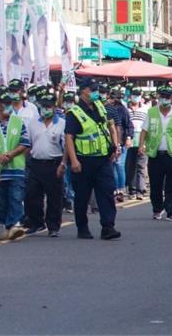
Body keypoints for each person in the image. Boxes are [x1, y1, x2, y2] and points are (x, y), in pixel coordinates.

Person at [65, 79, 121, 240]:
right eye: (93, 89)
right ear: (84, 91)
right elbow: (69, 137)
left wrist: (114, 146)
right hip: (83, 160)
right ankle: (82, 227)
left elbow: (110, 126)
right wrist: (73, 160)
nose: (97, 92)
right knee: (82, 196)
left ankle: (108, 227)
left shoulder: (100, 107)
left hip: (103, 159)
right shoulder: (74, 113)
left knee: (106, 192)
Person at [137, 86, 172, 222]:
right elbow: (144, 130)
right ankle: (157, 209)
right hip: (155, 153)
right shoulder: (152, 112)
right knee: (155, 184)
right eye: (162, 97)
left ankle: (171, 211)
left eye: (167, 97)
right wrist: (141, 145)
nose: (164, 100)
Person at [24, 91, 66, 237]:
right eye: (43, 106)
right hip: (36, 163)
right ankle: (37, 222)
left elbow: (66, 146)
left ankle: (53, 226)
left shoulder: (61, 123)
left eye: (48, 106)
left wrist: (63, 164)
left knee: (54, 196)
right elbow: (28, 144)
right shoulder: (33, 123)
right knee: (32, 194)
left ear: (54, 107)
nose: (45, 109)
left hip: (54, 163)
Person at [0, 92, 30, 241]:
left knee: (15, 197)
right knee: (0, 201)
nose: (10, 107)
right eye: (6, 104)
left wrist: (11, 155)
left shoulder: (18, 121)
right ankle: (7, 226)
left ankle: (15, 224)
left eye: (10, 104)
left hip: (15, 167)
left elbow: (25, 142)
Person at [126, 89, 149, 200]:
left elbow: (147, 126)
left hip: (142, 138)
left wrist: (145, 142)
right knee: (130, 166)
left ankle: (140, 190)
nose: (135, 97)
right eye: (134, 95)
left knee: (141, 165)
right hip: (129, 139)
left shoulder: (145, 109)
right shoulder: (126, 108)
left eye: (138, 95)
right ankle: (132, 189)